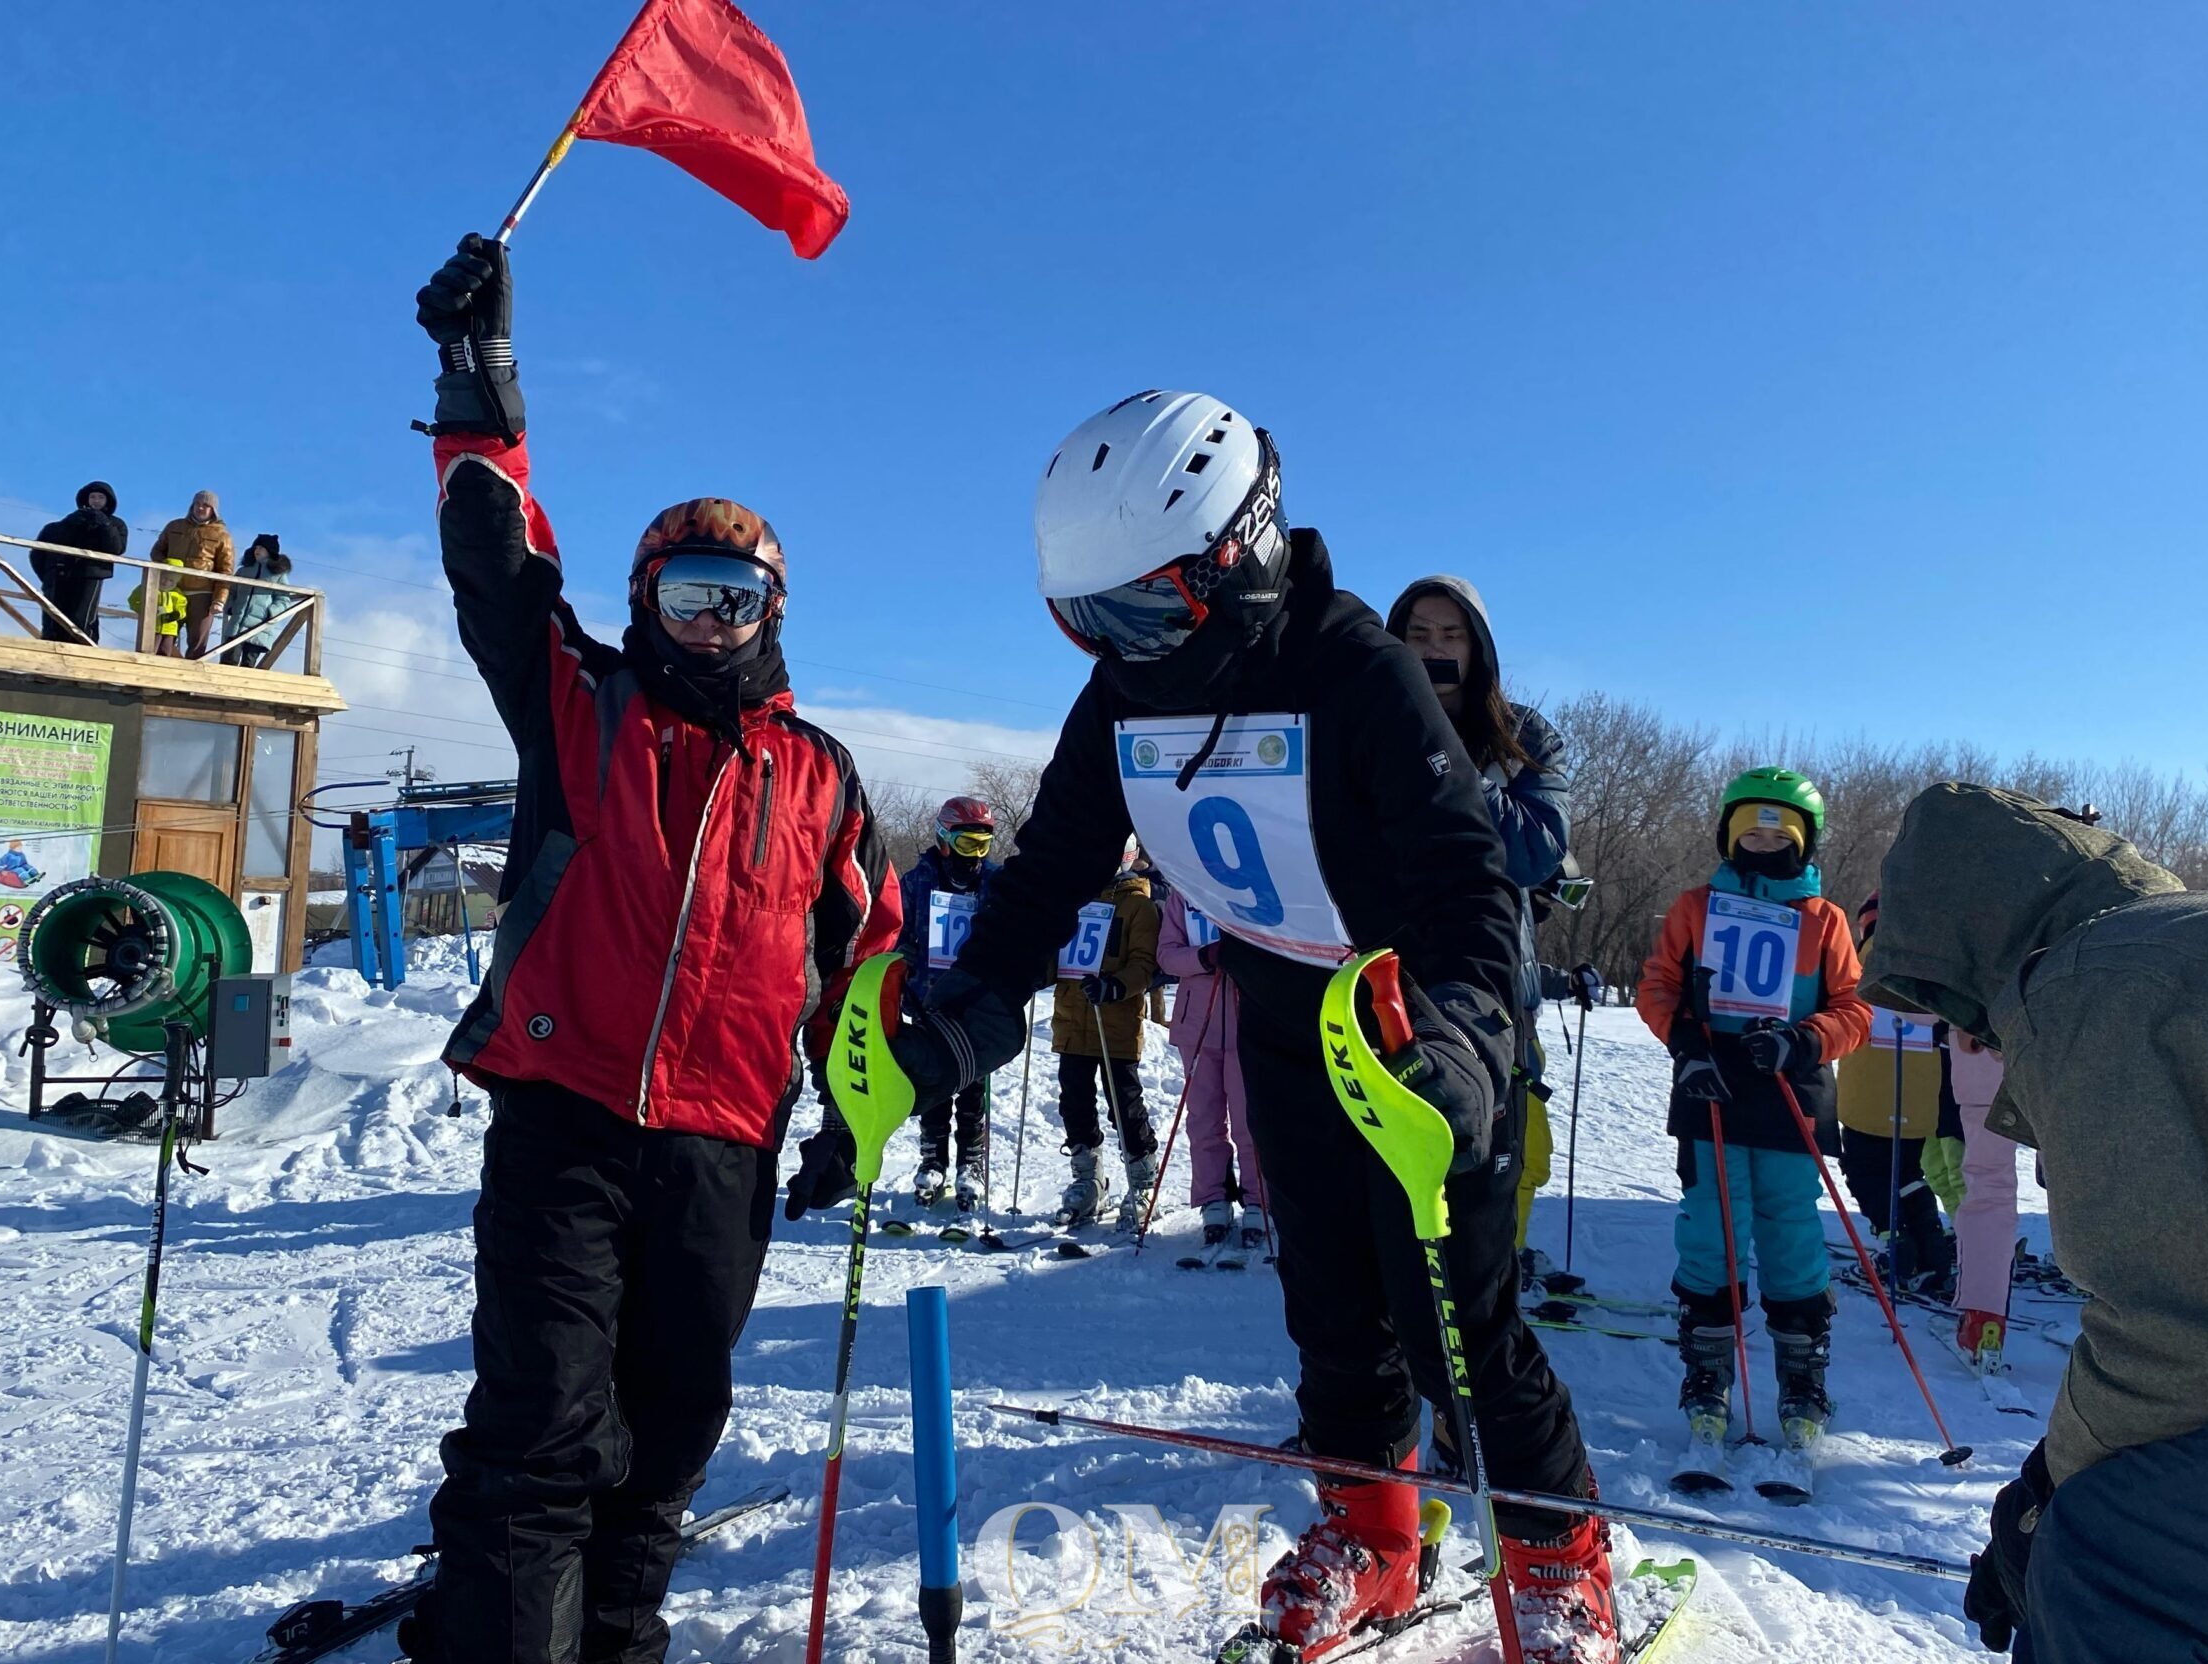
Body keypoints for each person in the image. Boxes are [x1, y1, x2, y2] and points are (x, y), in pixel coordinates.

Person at [886, 390, 1617, 1661]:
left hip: (1409, 1039)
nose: (1121, 646)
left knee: (1458, 1327)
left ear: (1242, 552)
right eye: (1085, 621)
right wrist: (982, 993)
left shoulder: (1355, 668)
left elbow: (1467, 884)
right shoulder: (1124, 690)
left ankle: (1559, 1554)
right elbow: (1054, 853)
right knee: (1329, 1311)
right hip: (1284, 1024)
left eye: (1144, 608)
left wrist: (1459, 1039)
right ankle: (1375, 1532)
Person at [399, 233, 902, 1664]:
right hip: (567, 1114)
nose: (710, 623)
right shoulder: (584, 704)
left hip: (725, 1142)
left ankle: (617, 1630)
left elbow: (869, 957)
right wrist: (476, 379)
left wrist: (861, 1101)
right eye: (686, 595)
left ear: (775, 614)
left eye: (735, 600)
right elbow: (500, 566)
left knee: (672, 1418)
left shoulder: (820, 775)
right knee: (545, 1421)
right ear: (641, 602)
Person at [1864, 783, 2208, 1664]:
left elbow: (2184, 1338)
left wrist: (2044, 1505)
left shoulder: (2089, 982)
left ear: (1965, 937)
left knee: (2108, 1554)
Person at [1635, 769, 1869, 1449]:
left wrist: (1803, 1040)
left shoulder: (1823, 921)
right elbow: (1659, 984)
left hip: (1790, 1090)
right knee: (1712, 1223)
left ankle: (1801, 1372)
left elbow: (1854, 1009)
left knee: (1790, 1226)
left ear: (1804, 842)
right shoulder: (1696, 906)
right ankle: (1708, 1370)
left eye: (1780, 832)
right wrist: (1683, 1040)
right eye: (1752, 830)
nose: (1765, 842)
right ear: (1729, 835)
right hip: (1713, 1084)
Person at [1387, 574, 1586, 1297]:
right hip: (1388, 977)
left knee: (1506, 1154)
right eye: (1418, 637)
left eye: (1452, 636)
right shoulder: (1368, 717)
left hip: (1493, 982)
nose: (1436, 652)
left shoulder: (1523, 733)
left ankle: (1492, 1286)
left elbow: (1538, 849)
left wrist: (1451, 759)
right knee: (1398, 1159)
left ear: (1479, 647)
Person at [1836, 892, 1958, 1298]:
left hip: (1872, 1088)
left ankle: (1896, 1248)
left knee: (1865, 1171)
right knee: (1907, 1173)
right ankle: (1934, 1255)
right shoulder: (1931, 961)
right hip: (1920, 1088)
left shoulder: (1875, 953)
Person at [896, 795, 999, 1216]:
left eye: (982, 845)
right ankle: (933, 1158)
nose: (973, 856)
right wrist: (901, 966)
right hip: (928, 997)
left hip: (975, 1001)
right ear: (943, 838)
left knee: (973, 1084)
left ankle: (971, 1162)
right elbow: (898, 931)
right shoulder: (917, 881)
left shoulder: (994, 883)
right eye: (966, 844)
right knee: (934, 1080)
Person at [1155, 885, 1266, 1260]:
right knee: (1203, 1118)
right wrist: (1205, 957)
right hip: (1197, 1024)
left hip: (1245, 1022)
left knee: (1249, 1119)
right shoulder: (1182, 896)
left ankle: (1258, 1201)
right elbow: (1167, 956)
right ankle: (1212, 1199)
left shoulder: (1246, 890)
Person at [1049, 864, 1161, 1230]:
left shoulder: (1138, 905)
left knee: (1124, 1103)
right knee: (1074, 1102)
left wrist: (1116, 985)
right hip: (1072, 1019)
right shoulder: (1074, 896)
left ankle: (1143, 1182)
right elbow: (1058, 948)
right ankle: (1088, 1179)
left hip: (1115, 1022)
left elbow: (1144, 963)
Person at [1944, 1027, 2015, 1364]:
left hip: (1985, 1057)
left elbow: (1918, 999)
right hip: (2072, 1055)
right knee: (2082, 1187)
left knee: (1989, 1187)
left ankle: (1984, 1324)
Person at [31, 481, 127, 644]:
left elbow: (116, 548)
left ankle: (84, 646)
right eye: (93, 497)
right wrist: (47, 576)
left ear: (108, 500)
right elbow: (40, 553)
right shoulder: (70, 521)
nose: (96, 501)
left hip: (92, 574)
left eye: (101, 497)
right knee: (55, 616)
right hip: (62, 574)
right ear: (86, 499)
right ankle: (52, 646)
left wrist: (104, 523)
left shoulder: (116, 524)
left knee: (82, 617)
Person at [146, 489, 235, 657]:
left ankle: (190, 673)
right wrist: (166, 569)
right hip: (172, 589)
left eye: (205, 505)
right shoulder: (175, 526)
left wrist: (219, 599)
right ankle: (167, 667)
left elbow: (226, 570)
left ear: (213, 510)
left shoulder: (222, 535)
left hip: (202, 592)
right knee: (165, 634)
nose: (200, 508)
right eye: (197, 504)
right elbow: (156, 552)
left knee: (197, 640)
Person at [217, 534, 295, 666]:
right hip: (236, 625)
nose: (257, 550)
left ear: (270, 552)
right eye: (256, 547)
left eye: (262, 548)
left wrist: (271, 612)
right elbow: (232, 591)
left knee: (248, 665)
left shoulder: (278, 575)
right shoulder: (243, 571)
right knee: (228, 662)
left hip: (259, 628)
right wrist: (230, 607)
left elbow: (283, 599)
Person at [128, 549, 193, 655]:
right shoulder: (149, 587)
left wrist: (175, 615)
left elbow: (182, 608)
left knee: (165, 651)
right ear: (159, 575)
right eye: (164, 578)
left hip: (170, 629)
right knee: (149, 650)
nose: (166, 582)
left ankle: (162, 666)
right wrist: (145, 610)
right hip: (152, 627)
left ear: (176, 582)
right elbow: (133, 600)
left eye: (171, 580)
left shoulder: (177, 593)